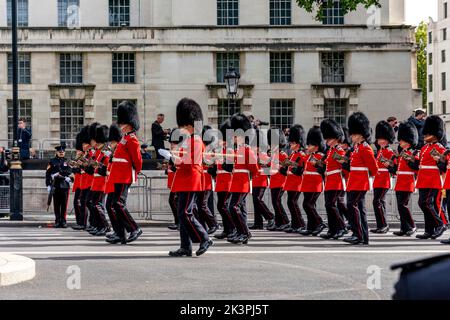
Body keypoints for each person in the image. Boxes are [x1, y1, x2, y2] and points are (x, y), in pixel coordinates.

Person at [168, 98, 212, 257]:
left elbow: (190, 162)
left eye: (184, 126)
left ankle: (204, 237)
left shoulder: (197, 141)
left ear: (190, 124)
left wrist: (177, 160)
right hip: (183, 179)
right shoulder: (189, 140)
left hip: (190, 179)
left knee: (185, 213)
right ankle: (185, 246)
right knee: (182, 214)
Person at [107, 101, 143, 244]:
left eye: (122, 123)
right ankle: (120, 234)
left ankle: (134, 228)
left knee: (118, 204)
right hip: (118, 175)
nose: (120, 126)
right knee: (115, 204)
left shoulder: (132, 139)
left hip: (124, 175)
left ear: (129, 123)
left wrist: (135, 172)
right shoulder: (125, 138)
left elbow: (138, 160)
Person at [341, 112, 378, 245]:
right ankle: (363, 236)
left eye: (354, 134)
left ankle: (358, 234)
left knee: (352, 205)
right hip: (354, 182)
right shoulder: (357, 148)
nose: (352, 136)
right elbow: (352, 166)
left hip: (360, 183)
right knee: (359, 209)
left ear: (361, 134)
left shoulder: (365, 148)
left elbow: (374, 168)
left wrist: (367, 180)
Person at [227, 113, 260, 244]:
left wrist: (247, 179)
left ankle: (245, 232)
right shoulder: (238, 150)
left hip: (242, 183)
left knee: (234, 207)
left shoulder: (247, 151)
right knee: (234, 207)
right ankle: (241, 232)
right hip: (236, 183)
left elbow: (255, 169)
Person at [414, 115, 448, 240]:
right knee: (422, 203)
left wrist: (440, 160)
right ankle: (429, 230)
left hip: (433, 179)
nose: (425, 135)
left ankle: (440, 224)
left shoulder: (440, 148)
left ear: (435, 134)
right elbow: (419, 164)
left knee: (427, 203)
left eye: (428, 133)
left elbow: (444, 166)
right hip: (423, 179)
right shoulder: (424, 148)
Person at [319, 119, 348, 240]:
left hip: (336, 180)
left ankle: (341, 227)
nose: (327, 141)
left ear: (336, 138)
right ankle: (332, 229)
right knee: (328, 205)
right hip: (329, 180)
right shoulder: (330, 151)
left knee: (331, 205)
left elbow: (345, 163)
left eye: (329, 138)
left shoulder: (339, 150)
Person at [299, 126, 327, 236]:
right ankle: (311, 227)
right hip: (307, 184)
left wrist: (315, 161)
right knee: (309, 204)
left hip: (315, 184)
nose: (307, 147)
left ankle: (319, 222)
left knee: (308, 204)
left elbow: (323, 167)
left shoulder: (320, 156)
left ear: (316, 147)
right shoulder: (309, 156)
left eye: (310, 145)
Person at [392, 121, 419, 237]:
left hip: (408, 181)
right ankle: (404, 227)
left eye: (402, 140)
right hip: (400, 181)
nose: (400, 142)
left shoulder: (414, 152)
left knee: (403, 205)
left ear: (408, 140)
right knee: (400, 206)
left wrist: (410, 159)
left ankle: (412, 226)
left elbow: (416, 167)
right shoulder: (403, 152)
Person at [370, 121, 396, 234]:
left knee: (378, 201)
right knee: (379, 202)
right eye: (379, 139)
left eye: (382, 139)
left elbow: (393, 166)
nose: (380, 141)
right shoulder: (380, 151)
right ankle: (381, 225)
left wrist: (387, 163)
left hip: (384, 179)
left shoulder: (389, 152)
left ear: (387, 140)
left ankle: (383, 225)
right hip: (378, 179)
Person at [213, 119, 236, 240]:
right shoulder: (220, 151)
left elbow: (229, 167)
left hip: (227, 181)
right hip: (220, 181)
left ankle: (232, 228)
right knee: (220, 206)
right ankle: (227, 229)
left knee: (225, 206)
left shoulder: (230, 151)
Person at [282, 124, 307, 233]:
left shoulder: (301, 155)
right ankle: (295, 224)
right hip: (291, 182)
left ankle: (300, 224)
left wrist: (291, 171)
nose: (290, 145)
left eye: (292, 143)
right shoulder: (293, 155)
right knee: (290, 203)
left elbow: (300, 170)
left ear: (297, 144)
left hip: (296, 182)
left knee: (293, 202)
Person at [249, 129, 274, 230]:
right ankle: (258, 223)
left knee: (258, 200)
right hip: (255, 181)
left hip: (262, 181)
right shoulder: (255, 155)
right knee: (255, 201)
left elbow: (269, 164)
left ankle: (270, 216)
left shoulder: (263, 155)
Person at [89, 125, 111, 236]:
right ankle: (99, 225)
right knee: (94, 204)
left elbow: (107, 167)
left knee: (98, 205)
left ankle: (105, 226)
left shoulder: (105, 151)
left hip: (102, 181)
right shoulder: (98, 152)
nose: (93, 142)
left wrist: (99, 166)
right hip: (96, 181)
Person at [267, 128, 290, 231]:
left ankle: (285, 221)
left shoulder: (283, 154)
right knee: (275, 203)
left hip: (280, 182)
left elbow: (286, 168)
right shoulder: (274, 154)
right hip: (273, 182)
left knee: (277, 202)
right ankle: (278, 222)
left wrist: (280, 165)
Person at [45, 144, 72, 228]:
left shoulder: (67, 161)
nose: (61, 153)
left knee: (64, 205)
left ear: (64, 152)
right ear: (56, 152)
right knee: (56, 204)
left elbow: (70, 171)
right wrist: (48, 185)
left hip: (64, 185)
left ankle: (63, 221)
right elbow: (48, 174)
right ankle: (57, 220)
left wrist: (65, 176)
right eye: (60, 152)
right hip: (55, 184)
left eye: (63, 152)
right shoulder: (52, 161)